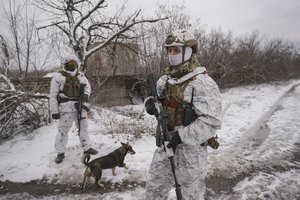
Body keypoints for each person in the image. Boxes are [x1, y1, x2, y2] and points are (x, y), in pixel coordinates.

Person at [144, 29, 222, 200]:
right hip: (165, 145)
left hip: (191, 153)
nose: (172, 54)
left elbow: (211, 122)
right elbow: (155, 99)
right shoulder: (164, 81)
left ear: (189, 51)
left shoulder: (203, 83)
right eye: (169, 50)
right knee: (153, 191)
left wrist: (181, 136)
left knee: (190, 196)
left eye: (176, 50)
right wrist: (149, 104)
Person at [49, 55, 98, 164]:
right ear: (65, 64)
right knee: (63, 131)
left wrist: (86, 94)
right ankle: (60, 153)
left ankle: (87, 147)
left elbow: (87, 87)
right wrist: (54, 111)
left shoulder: (81, 76)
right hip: (65, 107)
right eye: (69, 63)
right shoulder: (58, 77)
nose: (72, 65)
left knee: (83, 128)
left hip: (80, 106)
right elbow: (53, 95)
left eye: (74, 63)